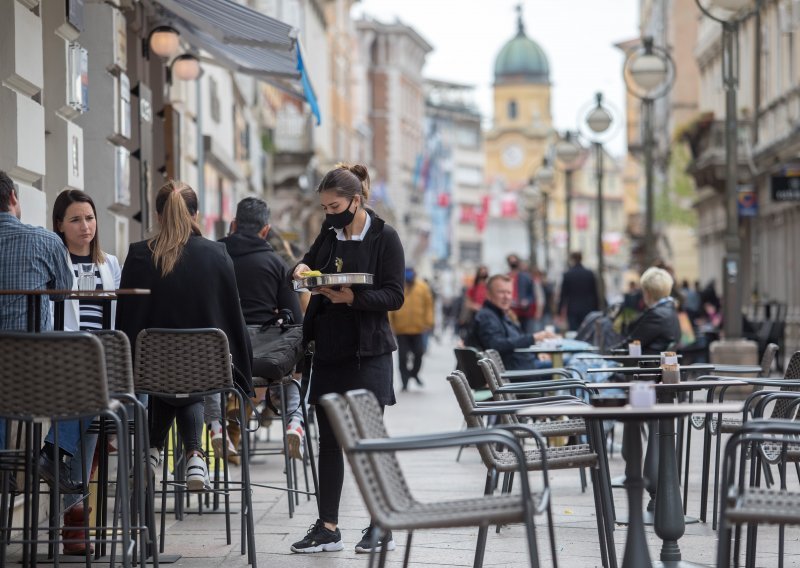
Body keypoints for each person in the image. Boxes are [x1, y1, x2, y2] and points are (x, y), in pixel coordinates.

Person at [289, 163, 404, 555]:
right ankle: (327, 526)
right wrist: (302, 270)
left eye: (334, 206)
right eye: (324, 207)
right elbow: (305, 265)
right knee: (329, 443)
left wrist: (353, 297)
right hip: (330, 349)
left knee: (370, 442)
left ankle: (380, 525)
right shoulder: (329, 233)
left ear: (356, 201)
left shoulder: (385, 237)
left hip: (369, 351)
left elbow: (394, 295)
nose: (328, 214)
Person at [116, 180, 253, 492]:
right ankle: (194, 453)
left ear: (158, 216)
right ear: (196, 214)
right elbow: (233, 318)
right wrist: (244, 372)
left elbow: (126, 322)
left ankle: (152, 451)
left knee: (171, 375)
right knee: (189, 375)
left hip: (149, 373)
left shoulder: (138, 256)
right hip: (205, 374)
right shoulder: (217, 254)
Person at [47, 189, 122, 554]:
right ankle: (75, 516)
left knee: (88, 413)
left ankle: (72, 509)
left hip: (102, 363)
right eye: (75, 219)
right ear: (59, 224)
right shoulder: (53, 263)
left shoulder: (111, 264)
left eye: (90, 218)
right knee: (89, 415)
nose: (85, 226)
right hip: (62, 363)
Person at [0, 172, 72, 491]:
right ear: (14, 197)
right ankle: (57, 464)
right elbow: (62, 292)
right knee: (87, 381)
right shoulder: (45, 240)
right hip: (31, 370)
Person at [219, 197, 305, 460]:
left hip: (219, 358)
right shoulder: (277, 264)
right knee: (294, 362)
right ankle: (294, 421)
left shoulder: (214, 255)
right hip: (263, 360)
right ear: (266, 230)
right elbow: (294, 320)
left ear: (233, 224)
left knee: (220, 380)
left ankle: (215, 428)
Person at [467, 274, 554, 370]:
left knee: (568, 364)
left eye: (509, 293)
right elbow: (497, 345)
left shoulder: (501, 315)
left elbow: (515, 341)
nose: (506, 297)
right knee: (570, 367)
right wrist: (534, 338)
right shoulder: (487, 317)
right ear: (488, 294)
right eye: (501, 292)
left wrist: (536, 355)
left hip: (524, 367)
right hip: (517, 374)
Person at [612, 266, 681, 354]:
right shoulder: (669, 309)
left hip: (647, 364)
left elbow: (632, 343)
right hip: (655, 362)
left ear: (647, 292)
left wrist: (607, 354)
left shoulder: (657, 315)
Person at [389, 267, 434, 391]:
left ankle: (414, 373)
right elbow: (391, 305)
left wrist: (428, 322)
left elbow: (429, 305)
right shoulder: (398, 286)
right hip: (401, 329)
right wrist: (390, 323)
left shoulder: (422, 287)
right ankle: (404, 382)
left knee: (419, 353)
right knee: (402, 357)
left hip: (418, 329)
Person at [558, 251, 599, 331]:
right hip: (588, 308)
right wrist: (596, 309)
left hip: (573, 309)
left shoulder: (568, 275)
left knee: (574, 333)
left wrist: (559, 311)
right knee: (586, 332)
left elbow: (563, 294)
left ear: (572, 259)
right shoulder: (589, 274)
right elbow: (594, 293)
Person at [507, 254, 536, 332]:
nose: (513, 263)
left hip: (524, 312)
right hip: (510, 312)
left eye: (514, 261)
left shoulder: (526, 277)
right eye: (511, 261)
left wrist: (527, 301)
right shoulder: (506, 277)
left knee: (526, 333)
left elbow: (532, 295)